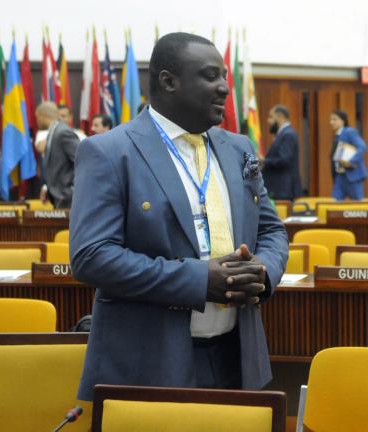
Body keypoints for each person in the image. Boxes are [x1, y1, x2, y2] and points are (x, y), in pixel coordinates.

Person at [70, 32, 288, 401]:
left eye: (224, 77)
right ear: (168, 81)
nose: (223, 88)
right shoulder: (108, 152)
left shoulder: (238, 148)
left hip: (236, 357)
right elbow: (92, 256)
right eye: (209, 76)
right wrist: (198, 280)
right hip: (149, 362)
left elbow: (270, 230)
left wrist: (262, 272)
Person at [35, 102, 79, 208]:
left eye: (37, 117)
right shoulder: (53, 132)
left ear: (42, 115)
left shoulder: (63, 132)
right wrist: (47, 188)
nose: (37, 121)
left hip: (69, 198)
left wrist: (71, 189)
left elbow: (82, 161)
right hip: (59, 198)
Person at [261, 105, 302, 200]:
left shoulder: (288, 134)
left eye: (271, 117)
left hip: (283, 190)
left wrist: (264, 161)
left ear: (280, 117)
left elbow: (284, 160)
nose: (268, 121)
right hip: (280, 190)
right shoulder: (282, 134)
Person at [329, 110, 367, 200]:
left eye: (334, 119)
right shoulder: (337, 135)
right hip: (340, 176)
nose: (331, 122)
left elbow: (362, 147)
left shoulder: (349, 132)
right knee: (335, 205)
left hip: (352, 175)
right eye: (331, 120)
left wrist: (350, 161)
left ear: (342, 121)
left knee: (358, 207)